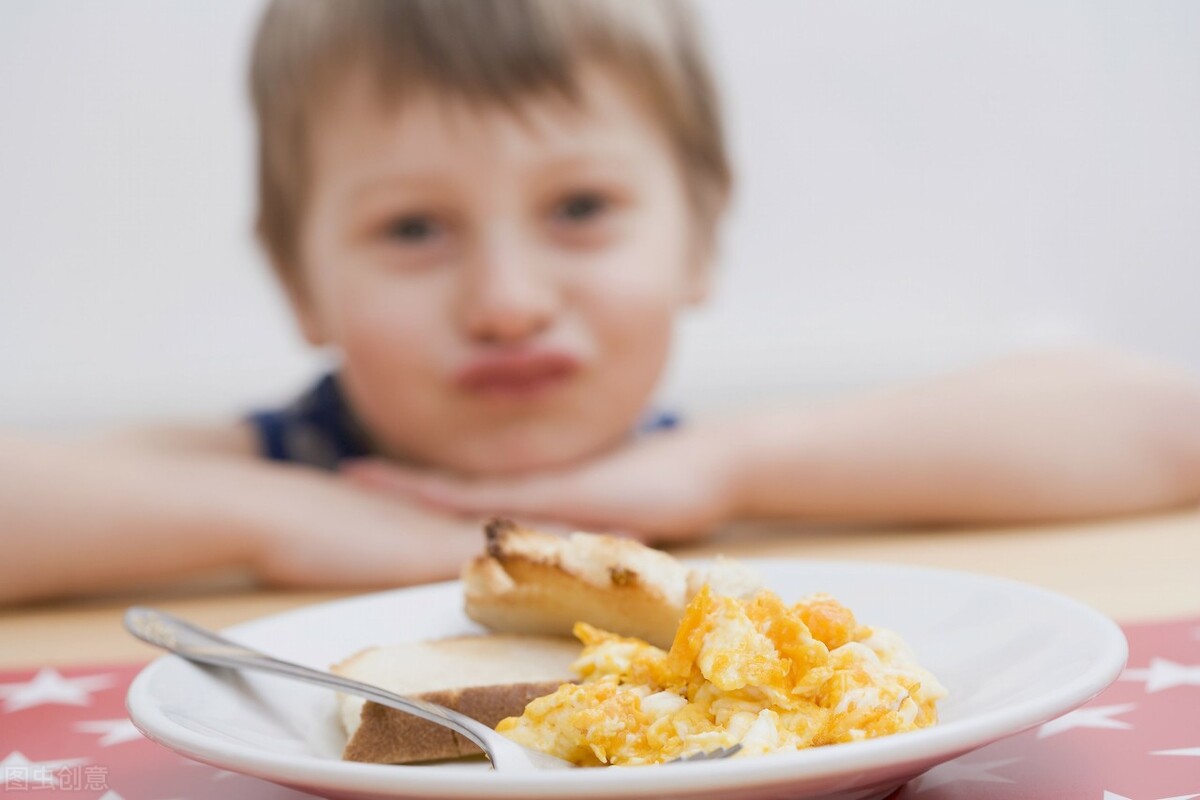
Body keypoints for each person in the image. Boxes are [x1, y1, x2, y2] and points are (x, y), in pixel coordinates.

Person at [2, 0, 1199, 605]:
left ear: (700, 237)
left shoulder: (698, 470)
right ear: (299, 279)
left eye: (580, 209)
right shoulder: (283, 471)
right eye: (413, 228)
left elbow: (1161, 417)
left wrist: (726, 471)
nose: (509, 301)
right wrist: (278, 521)